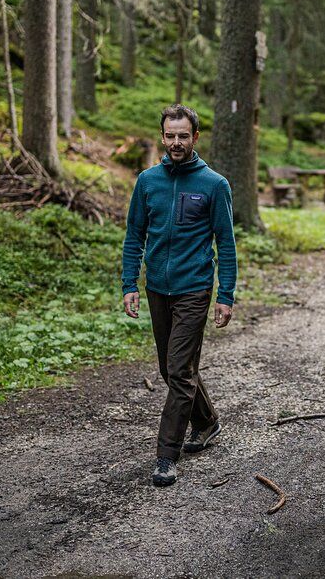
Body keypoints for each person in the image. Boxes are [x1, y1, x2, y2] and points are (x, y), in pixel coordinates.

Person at [122, 104, 237, 487]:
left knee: (177, 372)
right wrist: (129, 285)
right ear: (162, 136)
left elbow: (227, 243)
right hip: (157, 287)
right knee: (173, 370)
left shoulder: (214, 185)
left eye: (183, 136)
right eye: (170, 135)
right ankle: (207, 422)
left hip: (194, 288)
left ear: (195, 138)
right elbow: (134, 237)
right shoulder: (147, 181)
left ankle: (166, 456)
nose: (175, 142)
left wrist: (226, 294)